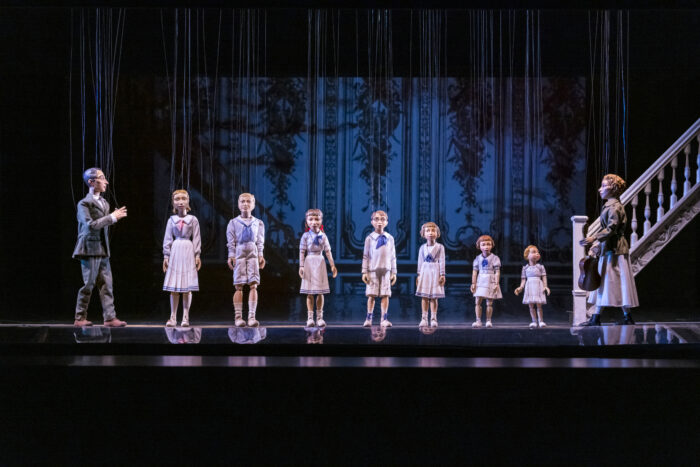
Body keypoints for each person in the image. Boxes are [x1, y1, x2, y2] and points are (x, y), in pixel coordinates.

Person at [579, 174, 639, 325]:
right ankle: (602, 317)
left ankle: (600, 317)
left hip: (615, 249)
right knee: (607, 282)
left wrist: (595, 238)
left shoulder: (614, 207)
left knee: (614, 281)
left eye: (604, 186)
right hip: (610, 247)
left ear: (613, 189)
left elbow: (611, 228)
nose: (600, 189)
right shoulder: (610, 206)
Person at [72, 167, 127, 327]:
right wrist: (111, 217)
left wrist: (111, 217)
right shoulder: (84, 203)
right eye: (102, 178)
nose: (106, 181)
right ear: (91, 182)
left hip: (102, 248)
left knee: (107, 284)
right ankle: (79, 317)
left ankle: (110, 317)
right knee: (88, 284)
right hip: (89, 248)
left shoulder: (104, 202)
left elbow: (103, 225)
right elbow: (89, 225)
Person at [162, 189, 201, 327]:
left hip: (188, 250)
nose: (180, 201)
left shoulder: (193, 219)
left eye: (183, 198)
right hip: (176, 250)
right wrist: (166, 255)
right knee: (174, 286)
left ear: (188, 201)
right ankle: (173, 317)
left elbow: (196, 237)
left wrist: (197, 254)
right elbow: (167, 238)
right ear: (173, 202)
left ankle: (185, 317)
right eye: (177, 199)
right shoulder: (171, 220)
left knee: (186, 286)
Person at [226, 193, 265, 327]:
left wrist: (261, 255)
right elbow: (231, 241)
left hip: (252, 251)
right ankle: (238, 317)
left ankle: (252, 316)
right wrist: (231, 256)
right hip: (240, 251)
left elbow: (260, 241)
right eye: (242, 201)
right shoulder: (233, 223)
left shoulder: (258, 223)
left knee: (253, 284)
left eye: (248, 201)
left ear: (253, 205)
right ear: (238, 204)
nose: (245, 204)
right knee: (239, 285)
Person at [299, 208, 337, 327]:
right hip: (309, 262)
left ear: (321, 221)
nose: (314, 222)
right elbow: (302, 251)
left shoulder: (323, 236)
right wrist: (301, 266)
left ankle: (320, 317)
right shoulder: (305, 236)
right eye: (311, 219)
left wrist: (332, 265)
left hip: (320, 262)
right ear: (307, 222)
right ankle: (310, 317)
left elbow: (328, 251)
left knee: (320, 292)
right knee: (309, 292)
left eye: (317, 219)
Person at [361, 210, 397, 327]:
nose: (379, 222)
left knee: (385, 295)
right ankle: (369, 318)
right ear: (372, 222)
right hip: (372, 270)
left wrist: (394, 272)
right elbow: (366, 256)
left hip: (386, 270)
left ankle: (384, 318)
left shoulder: (390, 238)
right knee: (371, 295)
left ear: (387, 222)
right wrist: (364, 271)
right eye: (376, 219)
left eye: (382, 219)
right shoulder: (369, 238)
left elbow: (393, 256)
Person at [415, 222, 446, 327]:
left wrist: (442, 274)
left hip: (435, 271)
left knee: (434, 297)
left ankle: (433, 318)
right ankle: (424, 318)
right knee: (424, 296)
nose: (430, 233)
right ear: (423, 233)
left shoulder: (440, 247)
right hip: (425, 271)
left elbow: (442, 261)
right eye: (428, 231)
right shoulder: (422, 248)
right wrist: (419, 274)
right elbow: (420, 261)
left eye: (433, 231)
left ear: (437, 233)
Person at [514, 245, 550, 328]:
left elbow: (544, 277)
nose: (537, 254)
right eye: (534, 252)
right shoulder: (525, 268)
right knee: (531, 305)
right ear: (527, 255)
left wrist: (545, 286)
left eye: (537, 252)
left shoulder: (540, 267)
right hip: (529, 286)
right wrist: (520, 288)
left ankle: (541, 321)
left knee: (539, 305)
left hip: (538, 286)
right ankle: (534, 321)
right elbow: (523, 280)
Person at [470, 234, 502, 328]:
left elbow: (497, 271)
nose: (486, 247)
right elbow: (475, 272)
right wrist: (473, 283)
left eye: (488, 244)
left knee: (489, 302)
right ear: (479, 246)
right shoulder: (477, 258)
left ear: (492, 245)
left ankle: (488, 320)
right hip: (480, 280)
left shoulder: (495, 258)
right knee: (478, 301)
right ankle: (478, 320)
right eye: (483, 244)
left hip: (490, 279)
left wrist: (496, 283)